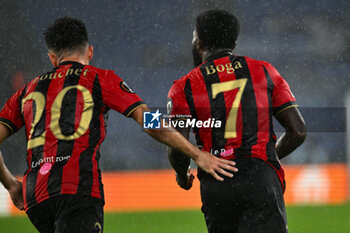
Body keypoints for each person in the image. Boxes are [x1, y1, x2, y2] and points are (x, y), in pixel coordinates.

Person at [0, 16, 238, 233]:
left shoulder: (27, 90)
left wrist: (10, 184)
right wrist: (197, 154)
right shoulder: (98, 78)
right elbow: (148, 120)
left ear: (52, 57)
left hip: (36, 197)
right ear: (90, 51)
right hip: (77, 190)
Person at [167, 10, 306, 233]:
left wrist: (182, 175)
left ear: (199, 43)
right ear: (234, 41)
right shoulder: (264, 71)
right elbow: (298, 131)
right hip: (259, 179)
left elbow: (176, 145)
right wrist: (266, 158)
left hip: (217, 181)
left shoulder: (184, 86)